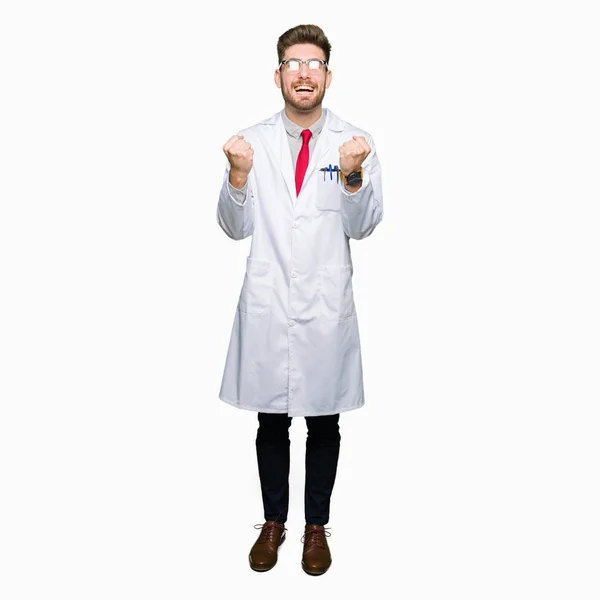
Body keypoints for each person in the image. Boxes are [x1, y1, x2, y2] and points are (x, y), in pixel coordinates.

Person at [216, 24, 383, 575]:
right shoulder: (251, 141)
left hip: (324, 304)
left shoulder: (351, 143)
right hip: (270, 300)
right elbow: (234, 225)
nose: (304, 73)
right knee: (271, 422)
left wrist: (353, 177)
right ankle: (272, 522)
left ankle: (316, 527)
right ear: (278, 75)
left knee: (325, 424)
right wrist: (238, 176)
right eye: (293, 63)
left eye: (313, 64)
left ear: (328, 75)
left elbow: (364, 225)